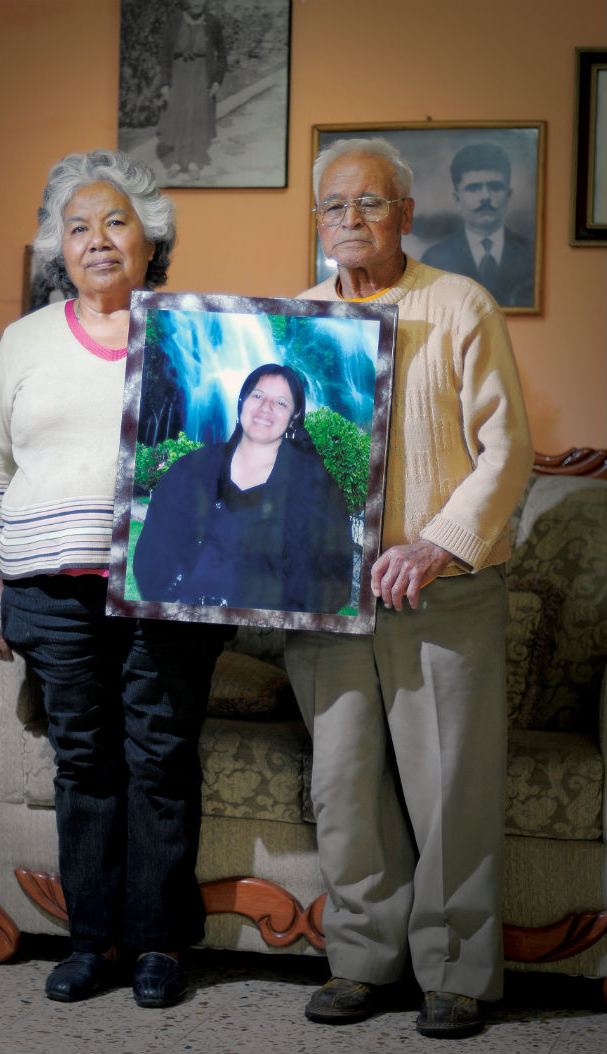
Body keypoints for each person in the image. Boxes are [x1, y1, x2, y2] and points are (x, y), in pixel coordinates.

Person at [0, 148, 230, 1008]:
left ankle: (157, 945)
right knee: (84, 761)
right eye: (78, 227)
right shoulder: (24, 341)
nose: (99, 239)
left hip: (167, 584)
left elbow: (230, 452)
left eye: (117, 222)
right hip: (52, 587)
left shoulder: (195, 334)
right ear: (59, 249)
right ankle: (90, 941)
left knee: (161, 759)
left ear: (151, 240)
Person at [284, 137, 534, 1039]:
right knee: (343, 789)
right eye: (335, 205)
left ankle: (457, 973)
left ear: (406, 214)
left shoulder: (460, 303)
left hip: (443, 588)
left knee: (450, 792)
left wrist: (435, 545)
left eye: (371, 202)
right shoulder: (297, 320)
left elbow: (508, 452)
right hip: (329, 598)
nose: (351, 219)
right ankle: (361, 961)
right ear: (318, 222)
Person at [133, 364, 353, 614]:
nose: (265, 408)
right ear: (242, 402)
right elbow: (152, 553)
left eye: (281, 403)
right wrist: (173, 604)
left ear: (295, 415)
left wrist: (269, 622)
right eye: (257, 396)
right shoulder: (190, 470)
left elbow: (333, 580)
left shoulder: (317, 490)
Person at [421, 143, 535, 306]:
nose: (485, 197)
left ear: (508, 196)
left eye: (495, 187)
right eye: (473, 189)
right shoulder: (434, 258)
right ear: (457, 199)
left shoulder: (531, 253)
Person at [156, 0, 227, 180]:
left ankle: (194, 162)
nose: (198, 3)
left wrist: (217, 80)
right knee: (178, 116)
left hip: (203, 74)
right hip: (178, 74)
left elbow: (222, 53)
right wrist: (165, 82)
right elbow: (164, 54)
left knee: (199, 116)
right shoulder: (174, 21)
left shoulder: (212, 22)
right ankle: (177, 162)